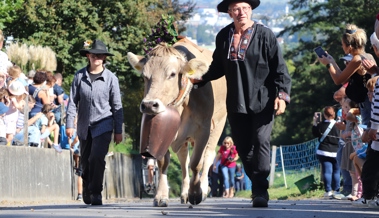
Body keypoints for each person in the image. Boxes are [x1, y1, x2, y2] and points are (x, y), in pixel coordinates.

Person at [193, 0, 291, 207]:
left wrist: (282, 95)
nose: (241, 12)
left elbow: (279, 68)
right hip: (236, 102)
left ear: (251, 10)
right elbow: (218, 67)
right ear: (229, 12)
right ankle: (258, 184)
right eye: (236, 9)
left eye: (245, 8)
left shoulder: (265, 35)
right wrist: (200, 78)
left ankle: (260, 192)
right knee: (244, 147)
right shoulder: (223, 36)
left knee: (261, 140)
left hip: (263, 101)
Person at [66, 39, 123, 206]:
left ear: (104, 57)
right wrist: (70, 124)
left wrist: (118, 130)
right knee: (85, 161)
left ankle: (96, 192)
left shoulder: (111, 79)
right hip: (84, 125)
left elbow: (117, 106)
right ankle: (87, 185)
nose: (97, 57)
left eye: (100, 55)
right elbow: (72, 102)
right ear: (88, 56)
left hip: (104, 123)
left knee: (97, 157)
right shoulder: (79, 76)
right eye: (94, 55)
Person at [318, 24, 376, 126]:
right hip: (369, 100)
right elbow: (344, 78)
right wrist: (332, 61)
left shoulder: (357, 59)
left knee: (369, 130)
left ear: (349, 47)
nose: (342, 46)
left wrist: (328, 64)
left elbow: (338, 80)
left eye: (343, 44)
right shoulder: (368, 55)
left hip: (367, 102)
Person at [312, 106, 341, 198]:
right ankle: (337, 191)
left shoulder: (320, 125)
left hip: (323, 151)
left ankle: (328, 191)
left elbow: (315, 134)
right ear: (334, 114)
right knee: (337, 171)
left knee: (327, 172)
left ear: (324, 115)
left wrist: (314, 122)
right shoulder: (338, 125)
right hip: (336, 151)